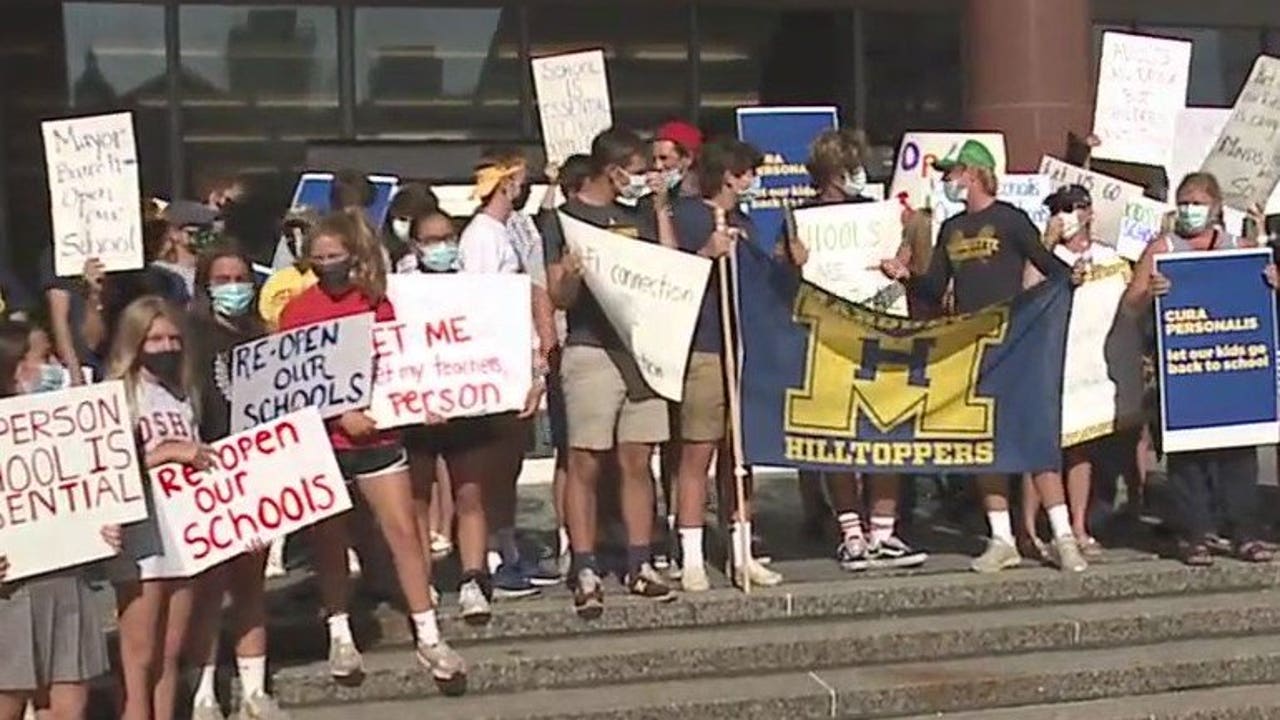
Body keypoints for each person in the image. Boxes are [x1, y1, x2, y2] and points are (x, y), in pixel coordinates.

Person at [879, 139, 1088, 574]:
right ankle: (1001, 536)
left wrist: (1074, 276)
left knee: (1033, 437)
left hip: (1017, 341)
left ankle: (1063, 535)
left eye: (953, 174)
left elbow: (1046, 264)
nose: (948, 181)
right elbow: (935, 288)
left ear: (973, 175)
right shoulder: (951, 229)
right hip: (973, 346)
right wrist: (906, 278)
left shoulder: (1010, 220)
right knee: (983, 442)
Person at [278, 209, 465, 689]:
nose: (326, 265)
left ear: (353, 255)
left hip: (381, 437)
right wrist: (338, 415)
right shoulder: (296, 312)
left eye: (334, 256)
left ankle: (427, 630)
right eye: (317, 258)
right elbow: (290, 383)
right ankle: (339, 630)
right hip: (325, 443)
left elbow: (406, 362)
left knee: (403, 531)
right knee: (329, 539)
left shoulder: (379, 302)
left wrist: (425, 399)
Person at [543, 127, 678, 618]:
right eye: (638, 172)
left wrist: (660, 209)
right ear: (612, 168)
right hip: (591, 349)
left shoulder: (637, 214)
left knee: (638, 459)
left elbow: (668, 271)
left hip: (640, 353)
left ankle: (640, 562)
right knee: (585, 461)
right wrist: (571, 280)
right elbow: (558, 295)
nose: (643, 180)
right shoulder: (563, 220)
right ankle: (584, 564)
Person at [781, 128, 927, 573]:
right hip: (828, 339)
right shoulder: (800, 217)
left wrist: (901, 260)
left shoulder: (879, 213)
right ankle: (851, 533)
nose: (862, 174)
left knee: (887, 432)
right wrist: (794, 259)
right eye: (853, 167)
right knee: (837, 438)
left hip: (882, 331)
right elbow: (781, 277)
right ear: (833, 172)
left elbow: (916, 259)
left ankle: (884, 530)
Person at [1122, 172, 1276, 566]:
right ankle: (1193, 534)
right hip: (1183, 371)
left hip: (1232, 369)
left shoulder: (1237, 247)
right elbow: (1129, 304)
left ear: (1216, 207)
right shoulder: (1162, 248)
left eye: (1197, 201)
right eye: (1184, 201)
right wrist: (1150, 293)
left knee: (1238, 455)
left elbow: (1260, 297)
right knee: (1188, 458)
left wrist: (1272, 281)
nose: (1190, 209)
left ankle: (1244, 532)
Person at [668, 137, 782, 591]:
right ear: (730, 175)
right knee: (698, 452)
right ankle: (692, 555)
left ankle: (741, 550)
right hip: (704, 346)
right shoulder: (689, 216)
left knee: (740, 455)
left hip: (744, 349)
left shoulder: (747, 224)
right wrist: (704, 255)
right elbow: (669, 279)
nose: (752, 181)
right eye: (748, 172)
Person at [183, 242, 288, 720]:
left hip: (254, 470)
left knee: (249, 584)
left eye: (240, 279)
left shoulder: (264, 337)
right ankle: (204, 691)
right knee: (206, 589)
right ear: (205, 285)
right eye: (222, 280)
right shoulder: (189, 337)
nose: (233, 289)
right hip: (204, 471)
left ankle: (253, 689)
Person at [0, 320, 120, 720]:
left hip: (69, 582)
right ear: (14, 368)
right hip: (10, 593)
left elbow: (99, 491)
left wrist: (105, 528)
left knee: (70, 707)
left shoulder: (75, 429)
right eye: (43, 357)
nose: (53, 366)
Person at [106, 296, 211, 720]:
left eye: (173, 338)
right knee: (140, 658)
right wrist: (167, 453)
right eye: (154, 339)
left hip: (183, 531)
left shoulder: (182, 393)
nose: (166, 347)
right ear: (135, 341)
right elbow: (108, 473)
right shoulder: (119, 394)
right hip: (140, 534)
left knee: (170, 653)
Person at [458, 148, 557, 597]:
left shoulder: (506, 231)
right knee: (494, 467)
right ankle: (496, 558)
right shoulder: (482, 236)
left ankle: (508, 548)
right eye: (519, 180)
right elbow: (481, 305)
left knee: (510, 465)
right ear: (507, 183)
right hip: (496, 369)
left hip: (516, 361)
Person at [1022, 184, 1140, 562]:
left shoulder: (1110, 258)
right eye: (1057, 209)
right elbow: (1028, 292)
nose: (1064, 216)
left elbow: (1127, 306)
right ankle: (1026, 530)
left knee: (1080, 449)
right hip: (1050, 364)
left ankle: (1077, 526)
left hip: (1090, 372)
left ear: (1088, 211)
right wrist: (1046, 243)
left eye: (1070, 208)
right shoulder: (1046, 254)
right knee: (1040, 451)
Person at [384, 183, 439, 268]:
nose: (408, 226)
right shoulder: (379, 250)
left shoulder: (441, 249)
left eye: (414, 220)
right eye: (402, 219)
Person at [652, 120, 703, 199]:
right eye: (654, 159)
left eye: (664, 158)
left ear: (688, 158)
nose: (657, 166)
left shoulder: (703, 201)